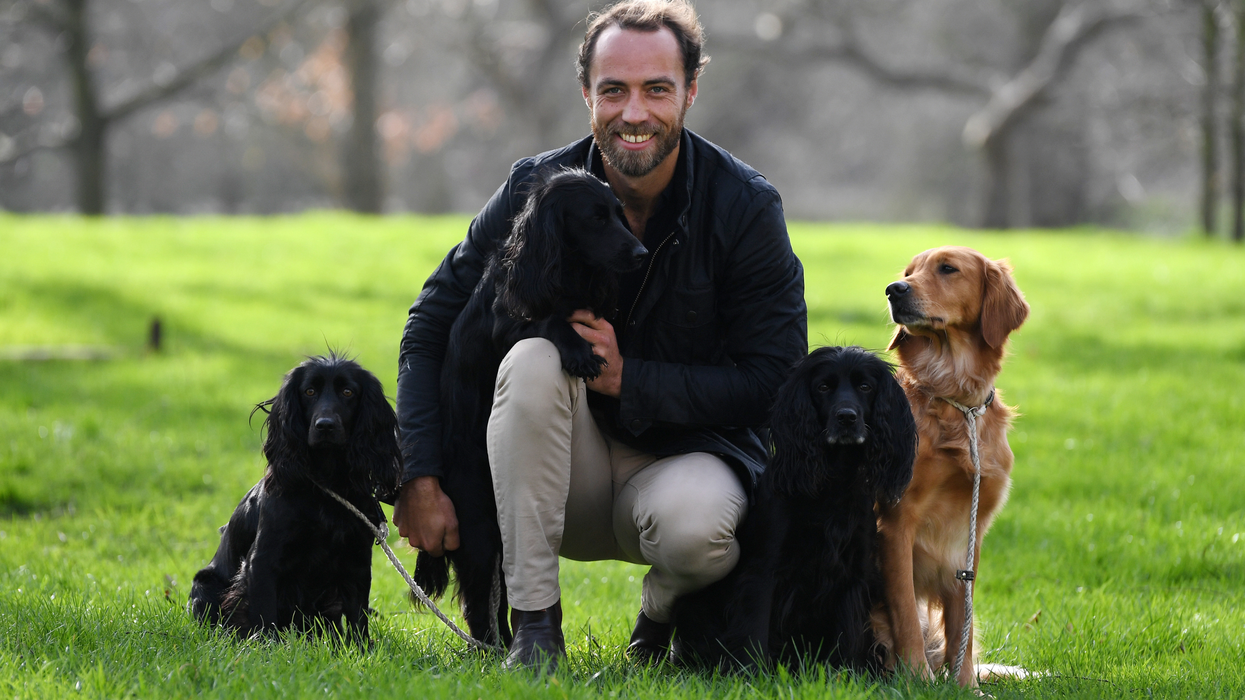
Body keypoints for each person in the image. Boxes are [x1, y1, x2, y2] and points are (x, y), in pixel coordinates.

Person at [393, 0, 806, 670]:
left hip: (684, 461)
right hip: (555, 471)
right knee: (532, 358)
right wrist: (419, 473)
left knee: (698, 531)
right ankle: (533, 629)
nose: (633, 113)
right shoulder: (535, 188)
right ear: (586, 93)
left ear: (690, 92)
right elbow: (429, 325)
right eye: (613, 89)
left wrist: (628, 379)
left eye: (656, 90)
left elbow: (777, 383)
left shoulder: (744, 207)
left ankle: (658, 616)